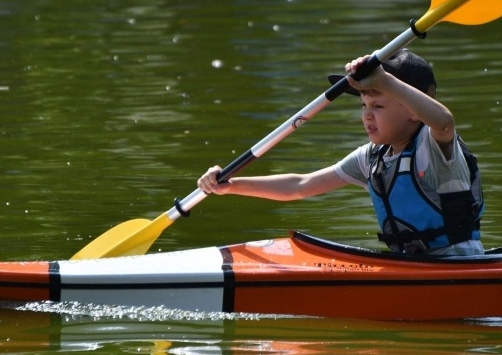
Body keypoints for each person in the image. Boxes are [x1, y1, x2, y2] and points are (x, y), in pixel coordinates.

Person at [197, 49, 484, 256]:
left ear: (412, 110)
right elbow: (299, 186)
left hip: (462, 268)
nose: (367, 116)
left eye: (378, 106)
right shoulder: (371, 158)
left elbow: (444, 122)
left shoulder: (433, 148)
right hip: (413, 267)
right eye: (364, 106)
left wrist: (385, 81)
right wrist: (231, 186)